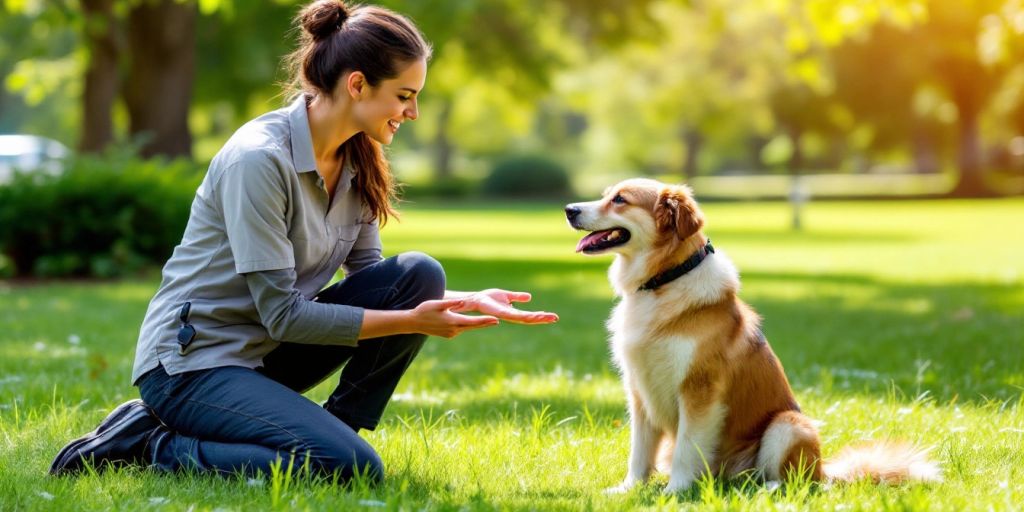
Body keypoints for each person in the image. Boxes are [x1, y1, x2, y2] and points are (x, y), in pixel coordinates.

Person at [49, 0, 557, 483]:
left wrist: (463, 301)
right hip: (193, 365)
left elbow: (375, 284)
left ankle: (339, 431)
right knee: (355, 469)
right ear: (358, 84)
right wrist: (411, 320)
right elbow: (284, 315)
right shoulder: (259, 160)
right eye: (405, 96)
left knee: (420, 273)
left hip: (265, 354)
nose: (413, 113)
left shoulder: (357, 160)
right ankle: (149, 444)